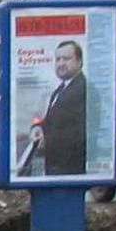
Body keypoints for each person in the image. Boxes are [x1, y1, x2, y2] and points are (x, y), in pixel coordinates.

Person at [34, 39, 89, 175]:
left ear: (79, 62)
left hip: (69, 168)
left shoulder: (83, 89)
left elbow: (80, 132)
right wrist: (38, 128)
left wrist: (47, 139)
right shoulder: (60, 89)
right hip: (56, 166)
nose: (61, 63)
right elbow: (52, 122)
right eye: (58, 59)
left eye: (66, 59)